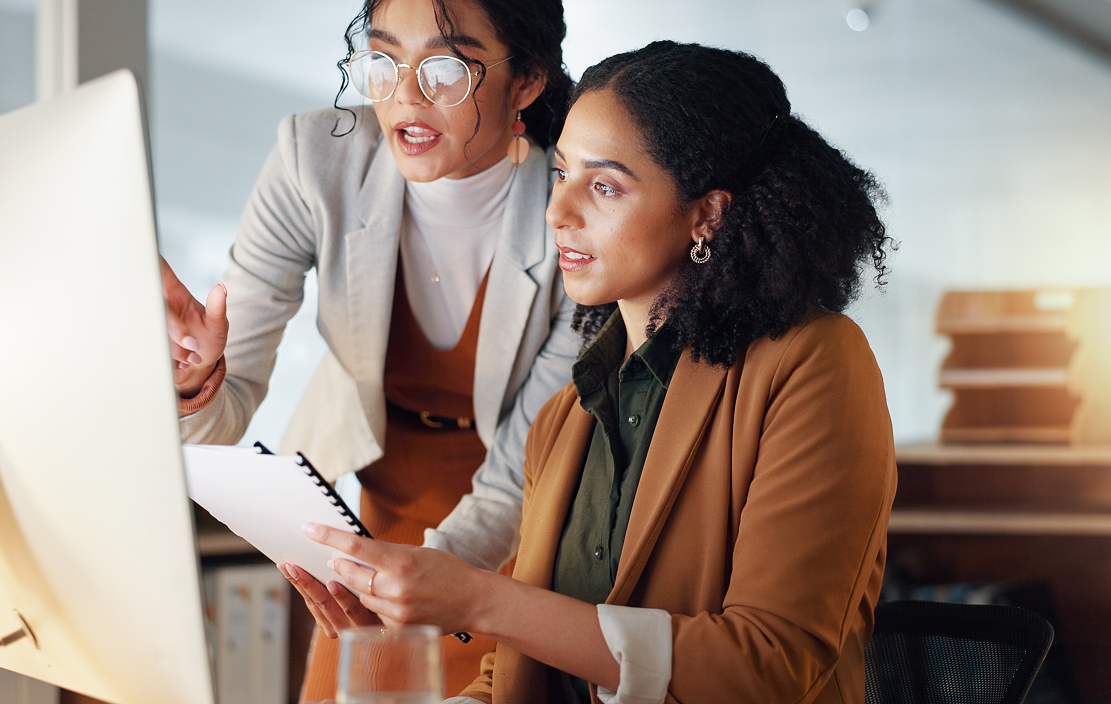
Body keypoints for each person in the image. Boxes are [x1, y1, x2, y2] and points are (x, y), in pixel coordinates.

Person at [298, 40, 898, 704]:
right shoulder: (564, 415)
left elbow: (765, 668)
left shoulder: (813, 364)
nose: (558, 211)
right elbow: (518, 674)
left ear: (708, 214)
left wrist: (478, 600)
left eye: (604, 185)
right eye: (560, 174)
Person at [161, 0, 579, 698]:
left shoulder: (572, 204)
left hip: (534, 527)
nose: (405, 98)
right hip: (377, 516)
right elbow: (224, 413)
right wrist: (195, 378)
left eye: (447, 69)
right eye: (383, 62)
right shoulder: (314, 160)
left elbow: (519, 474)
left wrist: (415, 587)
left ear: (528, 81)